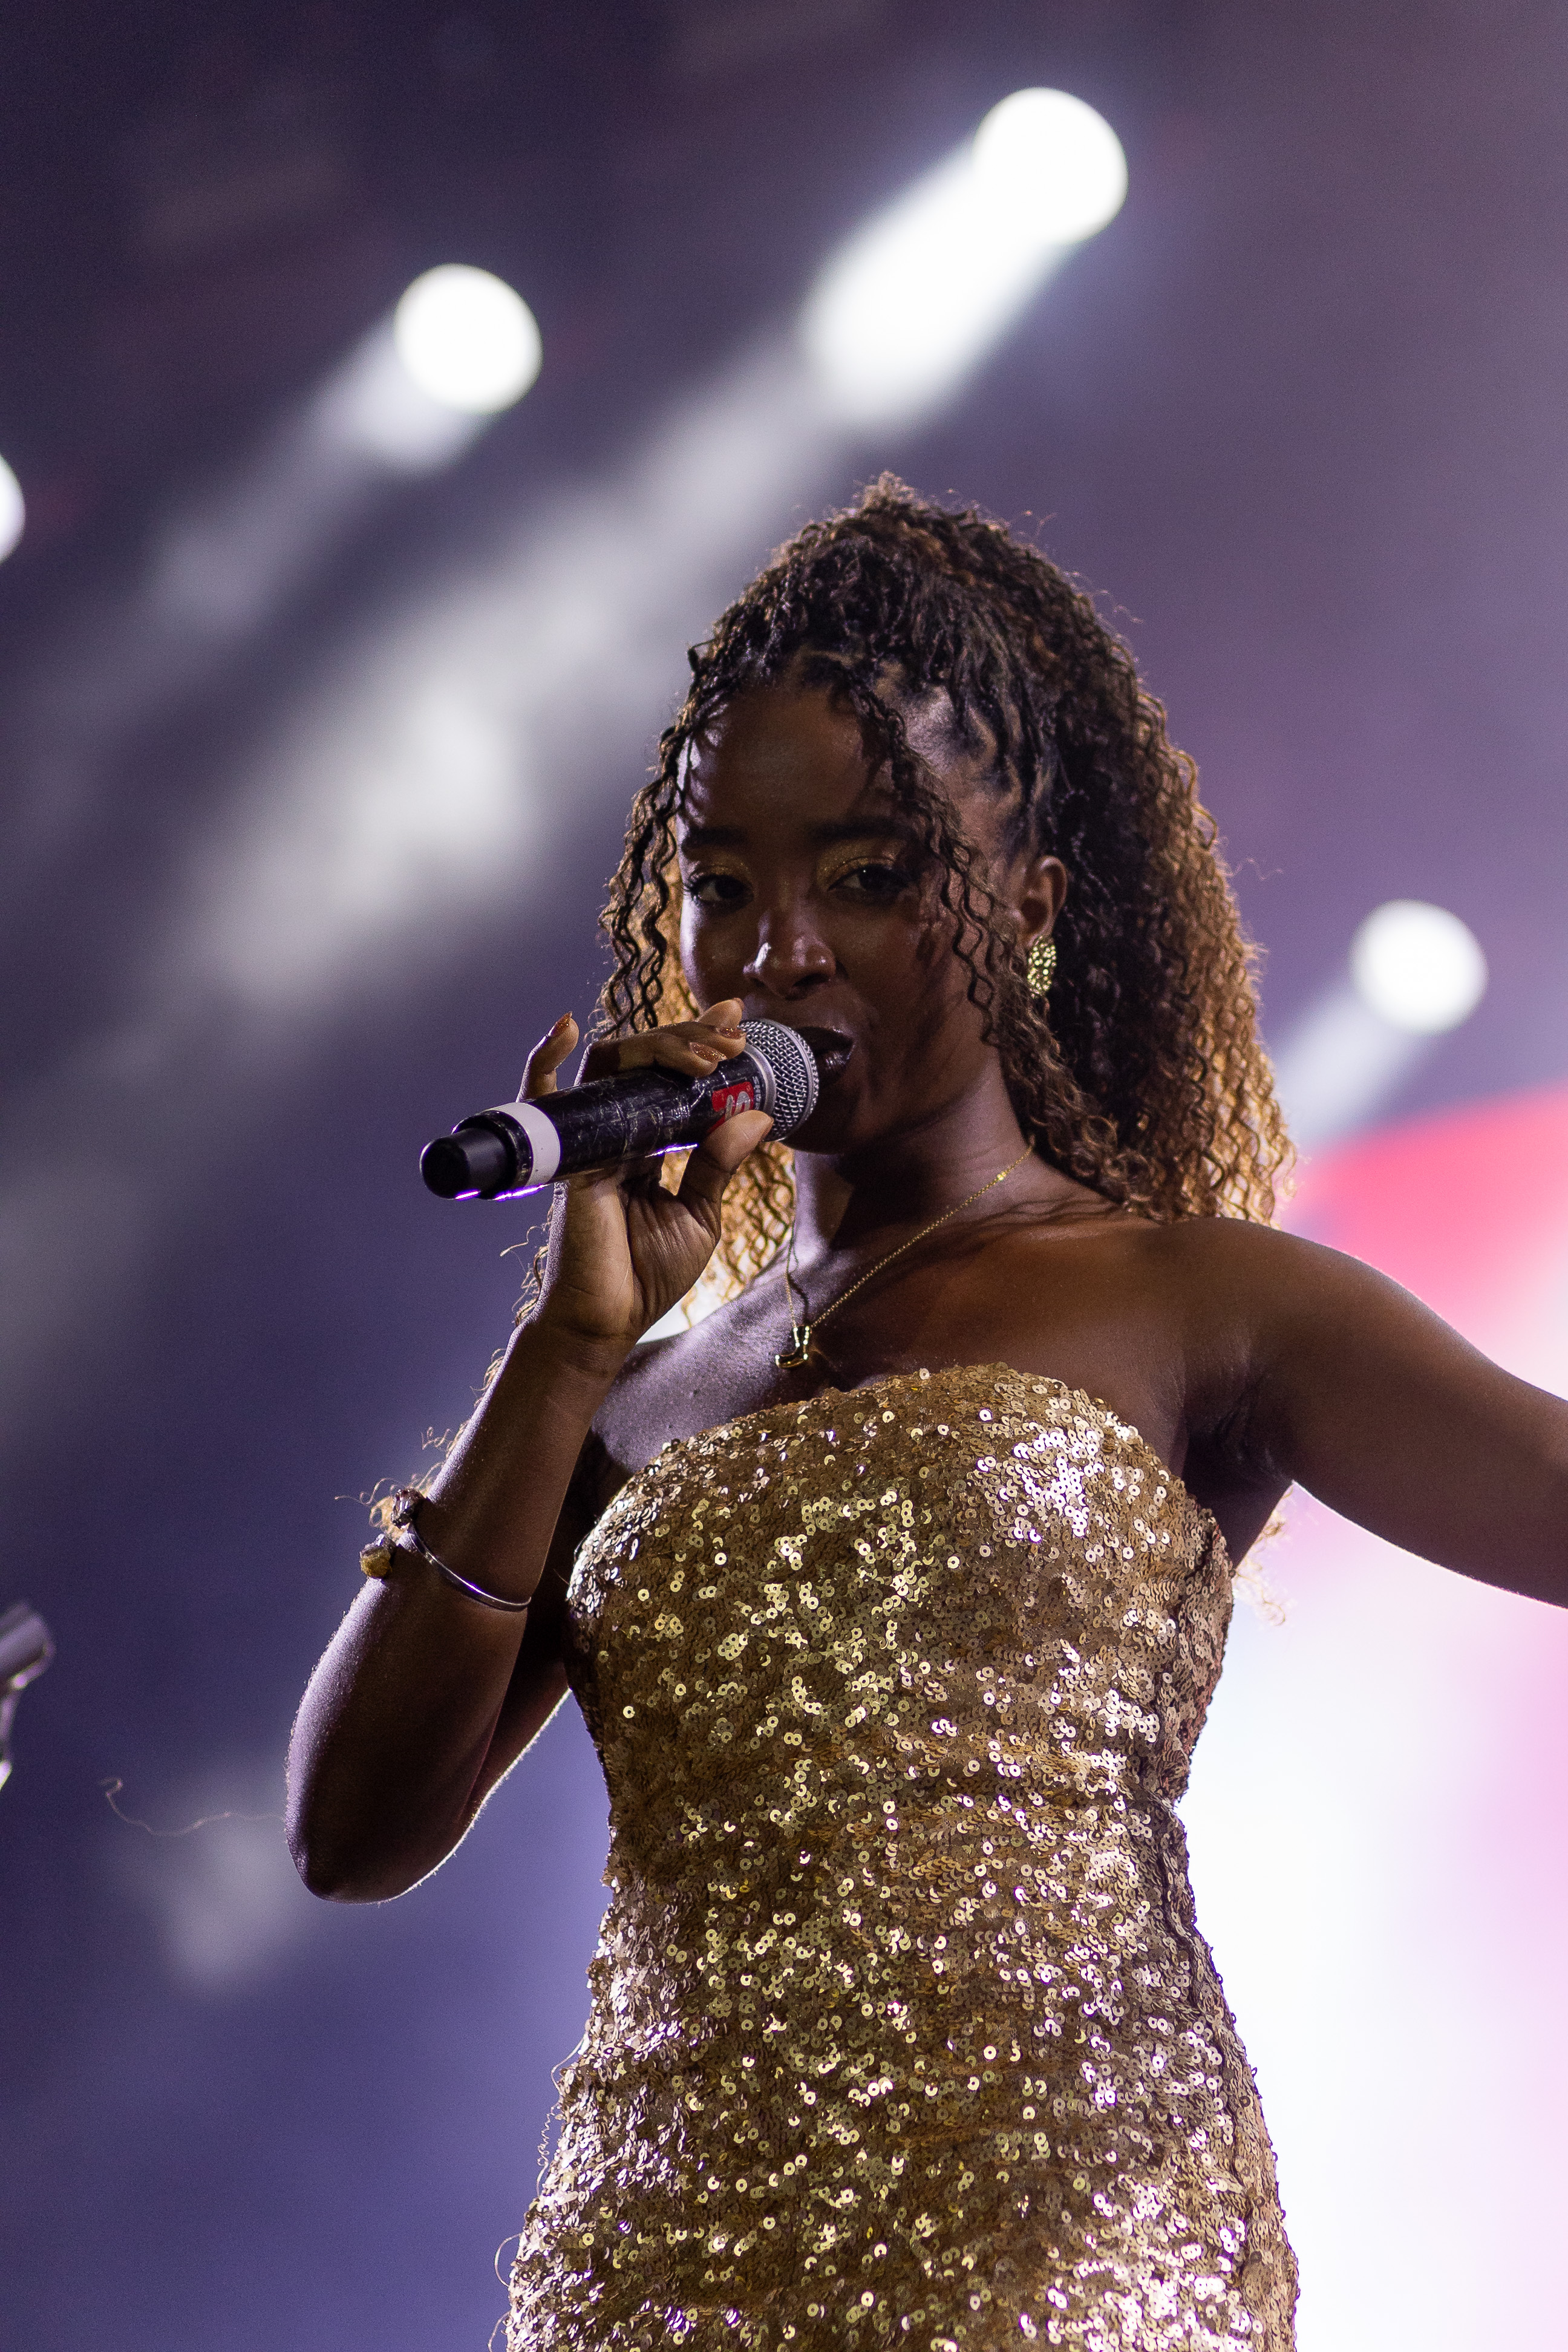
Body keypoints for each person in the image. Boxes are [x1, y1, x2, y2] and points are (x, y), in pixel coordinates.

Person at [287, 480, 1568, 2352]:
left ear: (1027, 909)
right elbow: (351, 1832)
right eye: (724, 887)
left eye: (871, 874)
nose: (778, 948)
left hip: (1071, 2266)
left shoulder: (1195, 1298)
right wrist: (563, 1356)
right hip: (658, 2280)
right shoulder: (640, 1382)